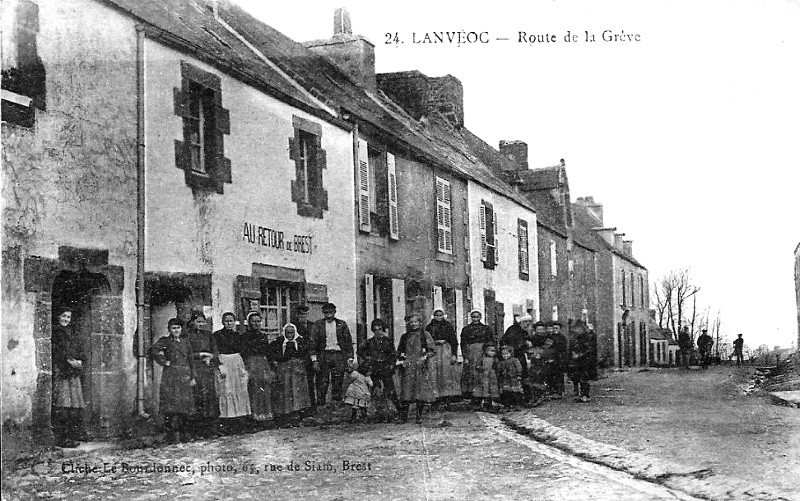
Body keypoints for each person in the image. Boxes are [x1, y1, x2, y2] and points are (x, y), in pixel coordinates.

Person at [149, 318, 196, 443]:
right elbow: (153, 350)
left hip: (185, 376)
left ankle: (184, 434)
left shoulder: (186, 342)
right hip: (171, 376)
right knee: (170, 406)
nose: (176, 330)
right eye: (173, 328)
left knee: (185, 406)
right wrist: (164, 361)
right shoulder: (165, 341)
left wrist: (193, 377)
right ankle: (171, 434)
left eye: (178, 328)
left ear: (182, 329)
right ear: (169, 329)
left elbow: (191, 359)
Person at [51, 307, 88, 448]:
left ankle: (74, 435)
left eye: (68, 317)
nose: (66, 319)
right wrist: (68, 361)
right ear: (58, 317)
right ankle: (62, 439)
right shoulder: (56, 332)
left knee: (74, 405)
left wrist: (79, 361)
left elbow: (80, 350)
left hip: (73, 372)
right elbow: (57, 351)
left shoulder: (72, 333)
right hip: (62, 371)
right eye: (64, 316)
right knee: (63, 404)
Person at [309, 303, 353, 406]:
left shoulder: (342, 324)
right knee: (322, 382)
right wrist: (314, 360)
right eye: (326, 313)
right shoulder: (318, 325)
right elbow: (312, 343)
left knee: (338, 381)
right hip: (323, 356)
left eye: (331, 313)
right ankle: (321, 406)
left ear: (335, 312)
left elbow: (348, 342)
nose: (328, 315)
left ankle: (335, 406)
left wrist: (350, 358)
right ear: (323, 313)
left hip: (338, 356)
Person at [213, 312, 251, 434]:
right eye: (226, 321)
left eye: (231, 321)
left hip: (236, 363)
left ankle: (239, 421)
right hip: (224, 362)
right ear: (223, 322)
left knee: (239, 389)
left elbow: (243, 351)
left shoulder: (238, 335)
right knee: (225, 390)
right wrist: (219, 365)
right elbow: (215, 351)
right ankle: (226, 422)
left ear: (234, 322)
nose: (229, 323)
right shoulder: (217, 335)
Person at [397, 313, 437, 424]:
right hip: (408, 367)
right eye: (411, 322)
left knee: (420, 391)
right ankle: (404, 417)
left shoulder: (425, 335)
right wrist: (402, 359)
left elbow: (432, 350)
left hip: (420, 366)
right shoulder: (405, 336)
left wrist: (424, 357)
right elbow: (400, 351)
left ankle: (418, 416)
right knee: (407, 391)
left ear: (420, 323)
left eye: (416, 321)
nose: (413, 324)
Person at [358, 319, 401, 422]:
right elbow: (359, 351)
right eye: (375, 330)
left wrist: (391, 365)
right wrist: (368, 358)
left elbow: (393, 355)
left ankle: (399, 410)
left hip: (385, 368)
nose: (378, 332)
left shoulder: (388, 341)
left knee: (390, 390)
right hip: (375, 368)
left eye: (380, 329)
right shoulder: (369, 342)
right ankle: (379, 413)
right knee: (376, 390)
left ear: (383, 329)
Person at [186, 310, 220, 437]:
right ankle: (197, 431)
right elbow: (187, 354)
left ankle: (211, 430)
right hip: (195, 369)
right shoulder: (187, 336)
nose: (200, 324)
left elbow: (215, 351)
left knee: (210, 398)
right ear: (192, 322)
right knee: (197, 398)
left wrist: (210, 357)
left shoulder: (208, 335)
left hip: (207, 369)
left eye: (202, 322)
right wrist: (201, 355)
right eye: (198, 321)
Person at [269, 323, 311, 425]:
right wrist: (276, 362)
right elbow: (270, 353)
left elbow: (307, 355)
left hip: (297, 371)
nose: (290, 335)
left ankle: (297, 414)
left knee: (297, 392)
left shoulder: (300, 341)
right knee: (285, 392)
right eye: (287, 333)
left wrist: (302, 363)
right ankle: (285, 414)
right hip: (284, 371)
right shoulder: (278, 342)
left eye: (292, 333)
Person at [241, 312, 275, 423]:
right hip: (250, 364)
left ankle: (264, 416)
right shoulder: (244, 336)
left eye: (258, 321)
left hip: (262, 364)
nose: (256, 324)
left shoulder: (263, 336)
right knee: (253, 389)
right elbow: (244, 353)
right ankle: (253, 416)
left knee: (264, 389)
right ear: (249, 323)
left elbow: (267, 352)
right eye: (253, 321)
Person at [425, 309, 461, 403]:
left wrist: (454, 354)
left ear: (443, 316)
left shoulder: (448, 326)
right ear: (433, 316)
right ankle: (435, 396)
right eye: (436, 315)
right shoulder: (429, 327)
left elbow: (453, 341)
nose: (438, 317)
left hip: (445, 350)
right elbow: (425, 340)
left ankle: (446, 396)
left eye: (440, 315)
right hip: (434, 350)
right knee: (434, 372)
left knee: (446, 372)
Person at [460, 309, 495, 400]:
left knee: (482, 374)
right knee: (472, 374)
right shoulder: (466, 329)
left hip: (483, 352)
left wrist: (488, 353)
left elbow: (491, 341)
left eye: (477, 316)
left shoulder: (486, 329)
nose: (475, 319)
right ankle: (474, 397)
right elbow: (463, 343)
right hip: (471, 353)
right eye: (473, 317)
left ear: (480, 317)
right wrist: (465, 356)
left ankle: (485, 396)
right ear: (471, 317)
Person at [294, 305, 317, 410]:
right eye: (301, 314)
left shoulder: (313, 325)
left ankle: (312, 406)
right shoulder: (294, 326)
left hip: (310, 358)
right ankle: (301, 407)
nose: (303, 317)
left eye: (305, 314)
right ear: (298, 315)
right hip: (299, 358)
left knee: (310, 383)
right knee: (299, 383)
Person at [568, 321, 597, 402]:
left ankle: (585, 394)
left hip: (584, 362)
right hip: (575, 362)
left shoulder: (587, 339)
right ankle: (577, 394)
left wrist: (580, 355)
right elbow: (570, 349)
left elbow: (589, 350)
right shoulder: (573, 339)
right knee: (575, 378)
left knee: (584, 379)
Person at [472, 343, 500, 411]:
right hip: (483, 376)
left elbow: (498, 367)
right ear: (485, 351)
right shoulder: (482, 358)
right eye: (490, 351)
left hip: (492, 376)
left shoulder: (495, 359)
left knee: (490, 390)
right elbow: (477, 366)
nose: (492, 353)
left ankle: (489, 405)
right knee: (483, 389)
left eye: (493, 351)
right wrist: (481, 368)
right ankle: (482, 404)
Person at [496, 345, 524, 410]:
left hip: (514, 379)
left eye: (507, 354)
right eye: (503, 354)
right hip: (505, 379)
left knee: (516, 392)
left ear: (511, 353)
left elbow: (519, 367)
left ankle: (517, 405)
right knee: (506, 393)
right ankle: (507, 406)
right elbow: (498, 370)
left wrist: (519, 375)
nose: (505, 356)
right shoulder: (500, 362)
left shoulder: (514, 360)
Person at [547, 321, 568, 398]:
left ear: (560, 329)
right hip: (551, 359)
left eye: (557, 328)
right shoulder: (549, 337)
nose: (555, 329)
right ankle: (552, 391)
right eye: (554, 328)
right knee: (551, 376)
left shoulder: (562, 338)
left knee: (559, 376)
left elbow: (563, 348)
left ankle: (559, 391)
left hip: (559, 359)